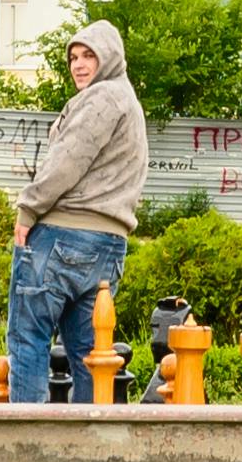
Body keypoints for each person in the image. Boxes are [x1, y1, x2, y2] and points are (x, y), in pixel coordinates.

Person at [9, 21, 148, 403]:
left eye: (89, 55)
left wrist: (27, 209)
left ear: (110, 58)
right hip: (109, 247)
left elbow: (66, 162)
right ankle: (89, 446)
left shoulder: (102, 98)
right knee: (91, 356)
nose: (79, 65)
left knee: (28, 337)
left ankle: (26, 445)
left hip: (62, 236)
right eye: (73, 57)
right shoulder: (129, 103)